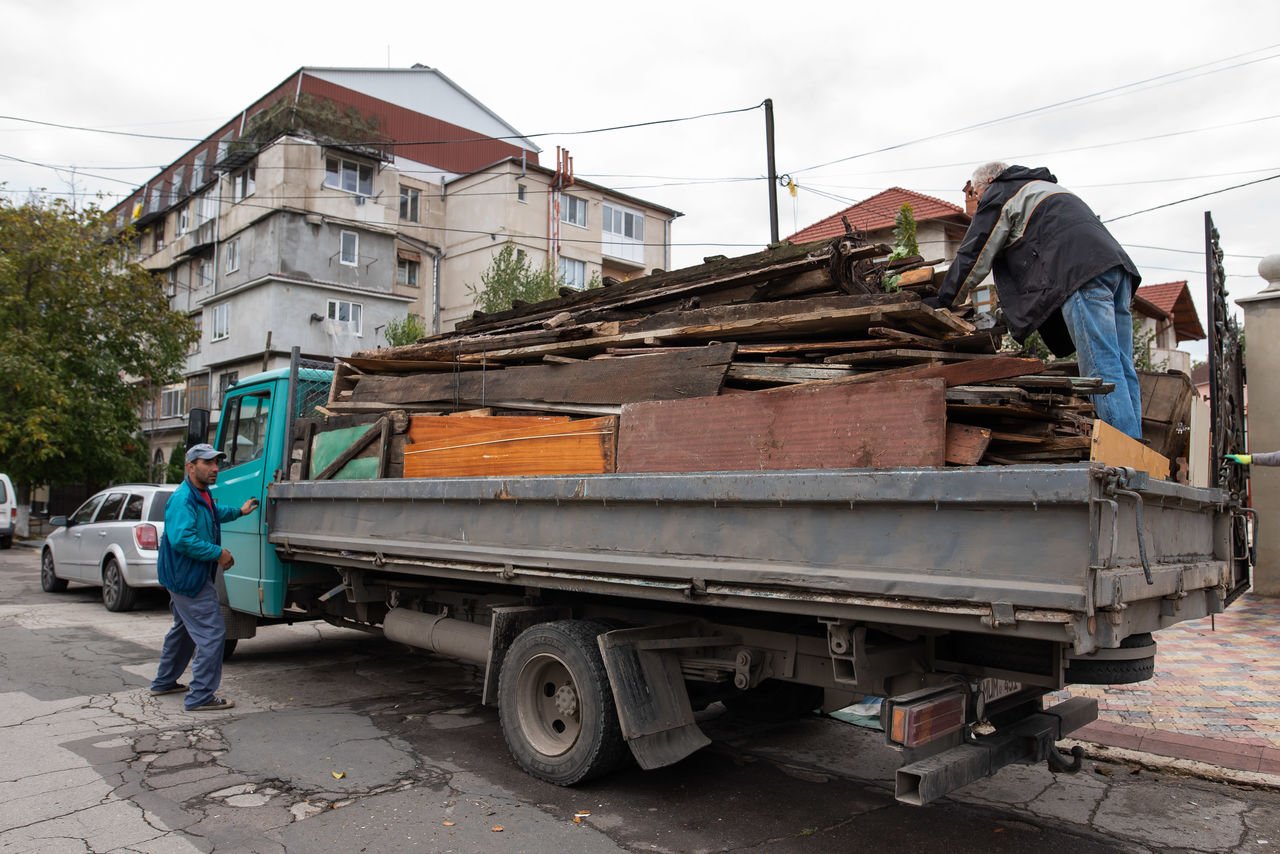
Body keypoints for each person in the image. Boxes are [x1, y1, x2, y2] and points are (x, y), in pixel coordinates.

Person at [930, 162, 1145, 440]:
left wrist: (945, 300)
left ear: (991, 181)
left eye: (977, 194)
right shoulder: (1045, 187)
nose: (979, 201)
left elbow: (976, 253)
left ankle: (1123, 453)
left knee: (1100, 364)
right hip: (1117, 271)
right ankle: (1136, 446)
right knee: (1122, 364)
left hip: (1081, 273)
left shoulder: (1001, 191)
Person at [149, 443, 259, 711]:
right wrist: (218, 553)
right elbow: (183, 539)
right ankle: (200, 697)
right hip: (189, 579)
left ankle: (164, 682)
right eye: (207, 463)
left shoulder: (201, 495)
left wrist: (239, 512)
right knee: (212, 633)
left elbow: (213, 515)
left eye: (216, 463)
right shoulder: (183, 499)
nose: (215, 469)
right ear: (190, 466)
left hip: (182, 577)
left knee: (184, 629)